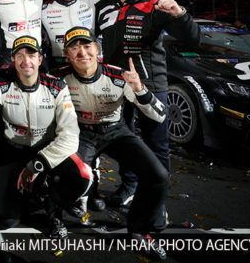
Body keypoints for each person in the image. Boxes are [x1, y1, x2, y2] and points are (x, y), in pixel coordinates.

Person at [94, 0, 200, 228]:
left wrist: (179, 13)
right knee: (123, 142)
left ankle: (156, 203)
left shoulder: (154, 2)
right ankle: (129, 186)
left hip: (151, 86)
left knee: (157, 146)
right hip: (117, 87)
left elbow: (193, 39)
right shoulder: (103, 6)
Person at [57, 26, 168, 260]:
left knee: (158, 175)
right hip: (81, 133)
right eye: (74, 48)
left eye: (87, 46)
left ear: (97, 49)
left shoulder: (119, 76)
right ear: (67, 55)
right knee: (64, 172)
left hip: (116, 131)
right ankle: (56, 218)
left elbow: (159, 115)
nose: (82, 53)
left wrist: (140, 89)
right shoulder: (58, 78)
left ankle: (139, 231)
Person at [0, 35, 91, 239]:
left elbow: (70, 137)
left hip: (46, 153)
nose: (26, 61)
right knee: (6, 219)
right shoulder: (1, 84)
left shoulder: (57, 86)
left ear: (40, 59)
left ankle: (53, 208)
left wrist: (36, 165)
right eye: (20, 55)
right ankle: (32, 195)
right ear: (13, 60)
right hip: (13, 152)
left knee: (83, 175)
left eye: (32, 55)